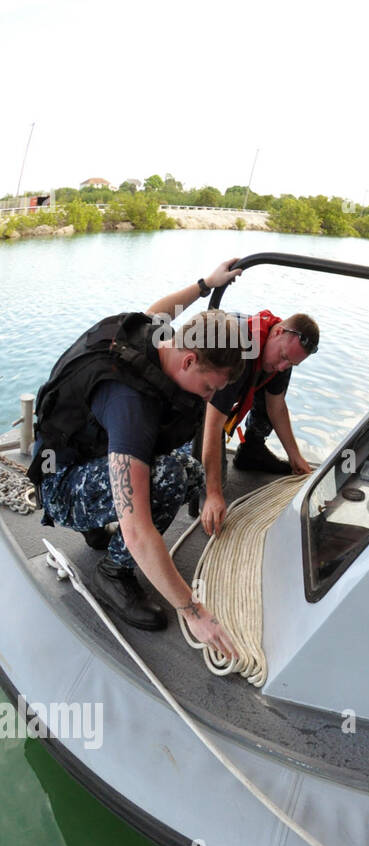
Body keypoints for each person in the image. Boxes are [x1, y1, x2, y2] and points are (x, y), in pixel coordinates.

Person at [30, 259, 246, 655]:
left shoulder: (157, 336)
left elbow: (165, 307)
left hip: (70, 454)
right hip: (58, 484)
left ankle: (93, 526)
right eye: (208, 387)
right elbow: (138, 531)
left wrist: (205, 284)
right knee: (172, 477)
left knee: (190, 468)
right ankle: (114, 572)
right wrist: (193, 611)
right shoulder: (131, 404)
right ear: (188, 361)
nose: (210, 398)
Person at [197, 310, 318, 537]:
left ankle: (252, 448)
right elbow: (212, 425)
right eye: (283, 357)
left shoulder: (281, 357)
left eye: (291, 363)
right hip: (193, 398)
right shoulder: (237, 351)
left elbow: (276, 406)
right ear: (278, 332)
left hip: (233, 387)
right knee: (212, 482)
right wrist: (213, 493)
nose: (283, 366)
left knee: (272, 379)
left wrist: (295, 457)